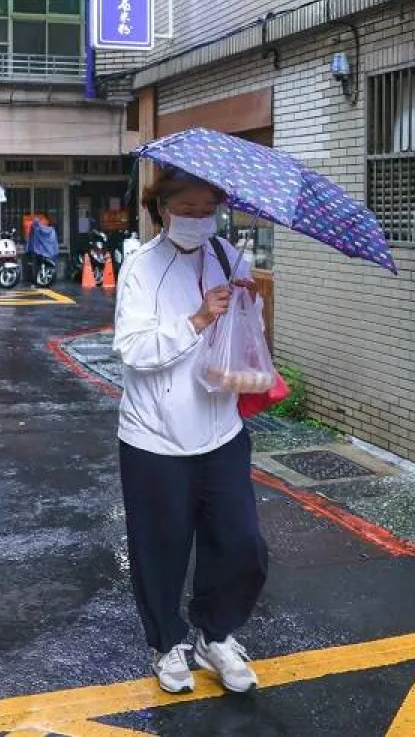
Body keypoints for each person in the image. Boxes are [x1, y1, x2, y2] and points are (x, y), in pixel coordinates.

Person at [112, 167, 268, 696]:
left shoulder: (228, 255)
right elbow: (132, 351)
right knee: (161, 547)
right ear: (162, 210)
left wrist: (249, 305)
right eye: (189, 210)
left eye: (209, 211)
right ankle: (166, 642)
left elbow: (251, 337)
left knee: (240, 543)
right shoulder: (140, 267)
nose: (201, 220)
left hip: (221, 430)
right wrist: (198, 320)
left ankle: (215, 635)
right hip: (154, 438)